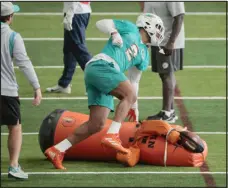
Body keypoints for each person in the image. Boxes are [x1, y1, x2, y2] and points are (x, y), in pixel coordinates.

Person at [44, 13, 165, 170]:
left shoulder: (144, 55)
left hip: (104, 74)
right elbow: (102, 23)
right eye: (158, 28)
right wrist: (114, 33)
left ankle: (57, 150)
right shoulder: (130, 28)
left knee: (97, 123)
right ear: (148, 24)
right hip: (101, 65)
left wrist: (133, 106)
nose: (160, 33)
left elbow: (134, 81)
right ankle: (112, 135)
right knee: (128, 95)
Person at [1, 2, 42, 179]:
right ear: (10, 17)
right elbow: (24, 63)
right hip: (6, 90)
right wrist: (36, 87)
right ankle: (13, 166)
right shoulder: (13, 37)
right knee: (15, 127)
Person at [138, 2, 185, 123]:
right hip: (157, 40)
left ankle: (167, 113)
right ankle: (170, 110)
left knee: (166, 74)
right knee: (164, 74)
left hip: (167, 41)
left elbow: (179, 17)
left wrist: (171, 42)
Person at [46, 2, 92, 94]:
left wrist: (70, 13)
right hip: (80, 11)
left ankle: (98, 83)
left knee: (79, 49)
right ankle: (64, 84)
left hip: (76, 12)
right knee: (69, 49)